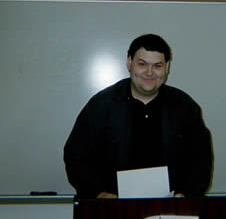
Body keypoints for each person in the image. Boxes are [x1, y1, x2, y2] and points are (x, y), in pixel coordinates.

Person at [64, 34, 213, 198]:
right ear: (129, 62)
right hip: (112, 210)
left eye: (157, 65)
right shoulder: (101, 105)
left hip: (171, 208)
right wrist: (99, 194)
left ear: (167, 67)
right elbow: (76, 156)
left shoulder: (185, 107)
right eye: (142, 64)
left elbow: (201, 159)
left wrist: (186, 194)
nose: (149, 72)